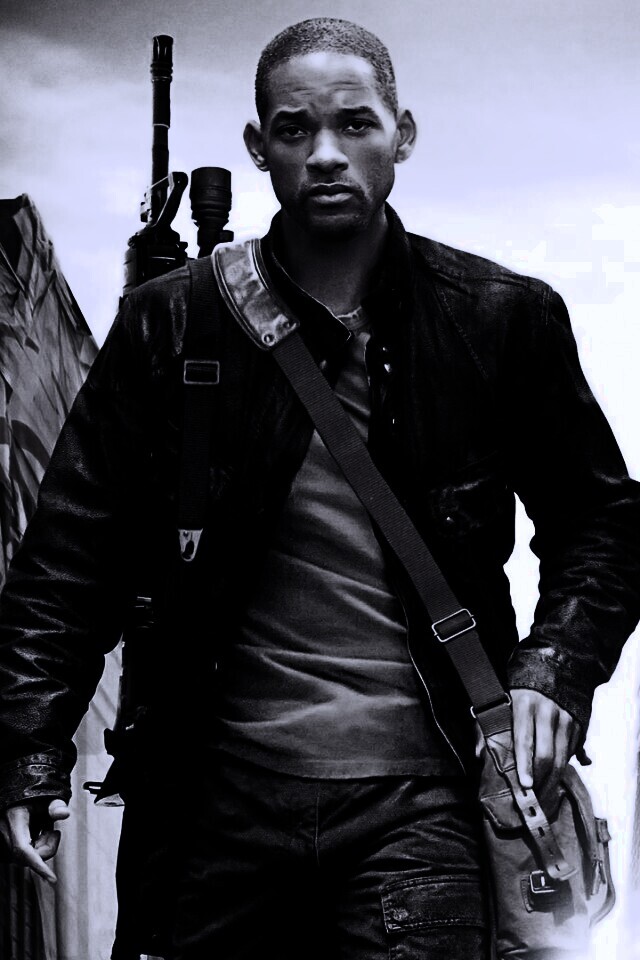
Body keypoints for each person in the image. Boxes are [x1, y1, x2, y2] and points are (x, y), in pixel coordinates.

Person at [0, 17, 639, 960]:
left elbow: (604, 521)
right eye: (295, 129)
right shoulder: (170, 323)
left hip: (419, 802)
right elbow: (71, 553)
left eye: (356, 123)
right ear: (259, 147)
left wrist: (553, 670)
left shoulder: (502, 319)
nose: (327, 153)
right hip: (213, 804)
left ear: (402, 134)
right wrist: (31, 744)